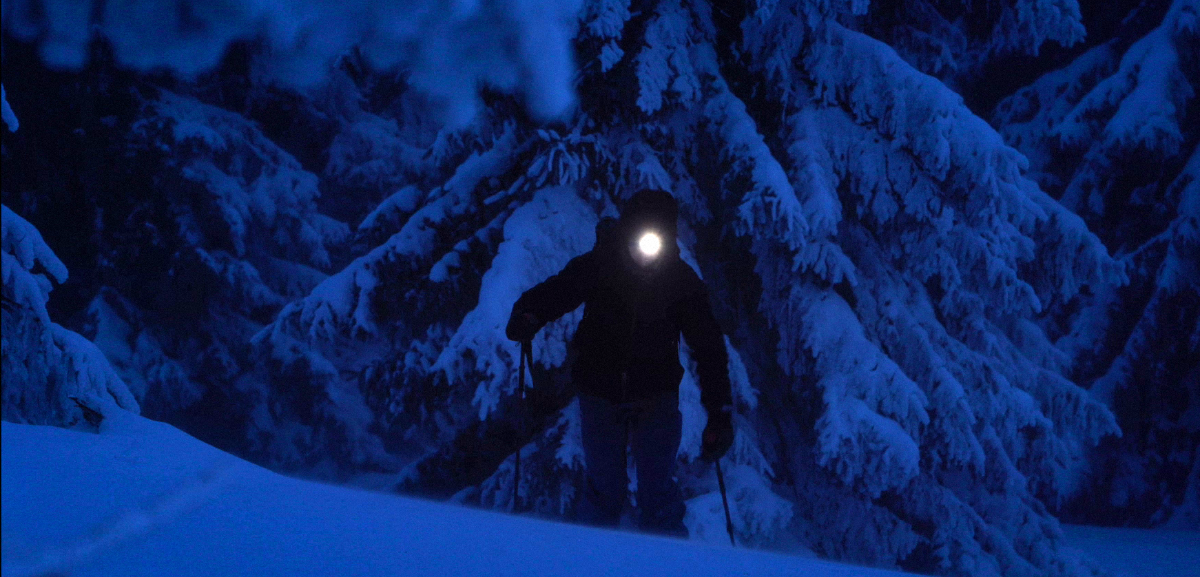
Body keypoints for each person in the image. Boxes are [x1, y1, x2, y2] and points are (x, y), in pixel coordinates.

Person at [505, 189, 733, 536]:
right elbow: (562, 289)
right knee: (604, 493)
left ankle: (662, 561)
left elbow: (709, 347)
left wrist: (720, 412)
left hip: (655, 396)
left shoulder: (680, 281)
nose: (647, 244)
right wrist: (529, 312)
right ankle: (597, 558)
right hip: (600, 392)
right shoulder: (602, 263)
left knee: (657, 496)